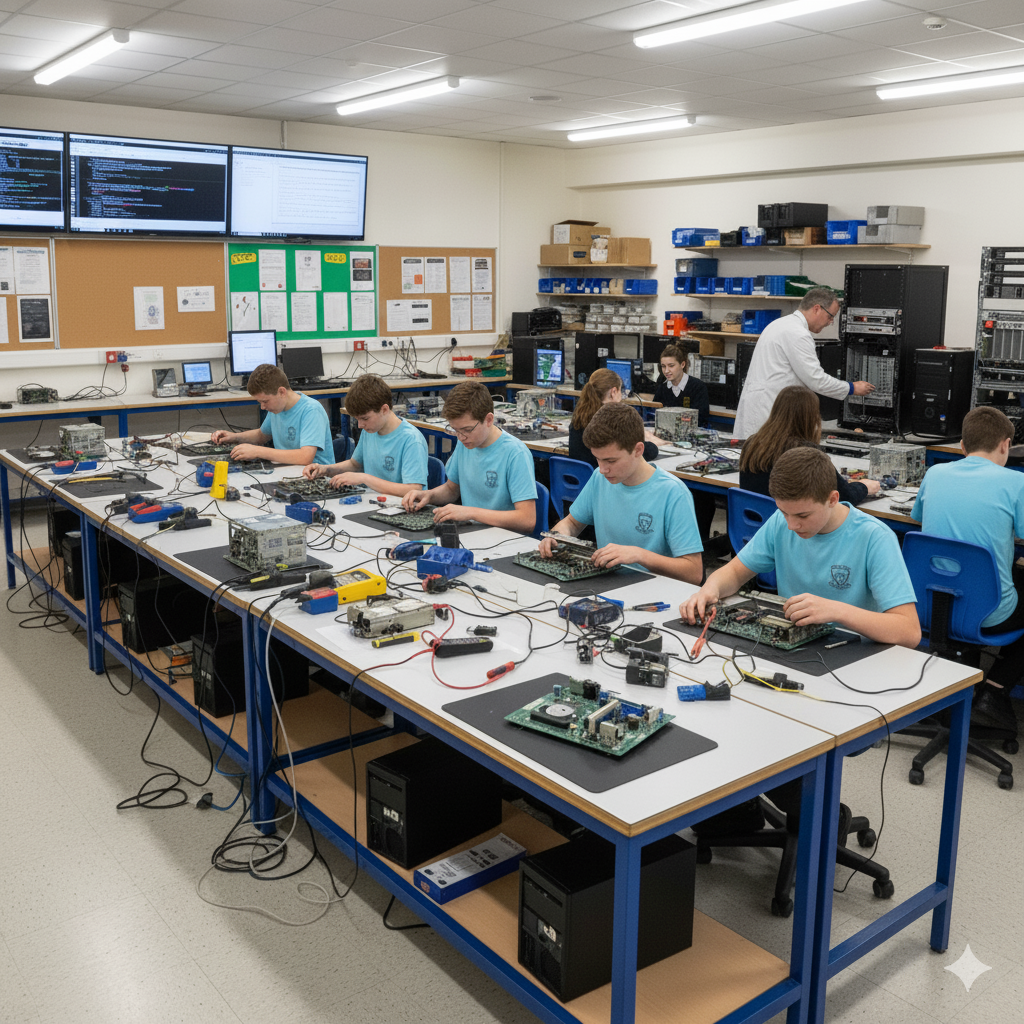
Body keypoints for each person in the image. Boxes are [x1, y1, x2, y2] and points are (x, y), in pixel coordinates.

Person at [680, 445, 920, 648]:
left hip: (855, 656)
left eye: (803, 515)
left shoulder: (874, 538)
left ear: (832, 499)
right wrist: (709, 590)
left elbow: (909, 631)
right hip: (797, 646)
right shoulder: (780, 523)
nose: (792, 525)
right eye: (784, 512)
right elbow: (734, 572)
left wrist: (837, 611)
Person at [910, 405, 1024, 733]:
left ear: (961, 446)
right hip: (987, 612)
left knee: (974, 572)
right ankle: (995, 691)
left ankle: (955, 689)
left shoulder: (935, 474)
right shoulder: (1014, 483)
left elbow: (918, 518)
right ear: (1006, 445)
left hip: (930, 605)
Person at [540, 403, 703, 583]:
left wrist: (639, 555)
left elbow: (694, 572)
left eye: (611, 461)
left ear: (638, 450)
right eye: (598, 459)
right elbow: (572, 523)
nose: (603, 469)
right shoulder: (599, 478)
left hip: (655, 592)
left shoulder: (673, 493)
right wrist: (556, 537)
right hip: (608, 583)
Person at [733, 287, 875, 439]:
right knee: (772, 459)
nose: (830, 322)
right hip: (770, 410)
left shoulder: (780, 324)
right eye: (830, 316)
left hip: (764, 407)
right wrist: (852, 387)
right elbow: (816, 380)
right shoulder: (797, 333)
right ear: (816, 309)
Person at [402, 381, 537, 533]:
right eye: (455, 430)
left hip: (503, 538)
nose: (460, 437)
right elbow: (452, 490)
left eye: (466, 429)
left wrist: (471, 513)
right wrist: (428, 495)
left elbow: (527, 520)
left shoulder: (515, 453)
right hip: (472, 532)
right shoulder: (467, 443)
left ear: (489, 420)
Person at [739, 385, 882, 506]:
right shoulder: (807, 453)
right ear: (811, 417)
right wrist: (863, 486)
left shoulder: (753, 443)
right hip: (793, 531)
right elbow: (844, 497)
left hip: (755, 529)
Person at [302, 374, 427, 498]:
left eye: (365, 418)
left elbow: (414, 489)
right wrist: (326, 469)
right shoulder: (371, 430)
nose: (360, 425)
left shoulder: (411, 440)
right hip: (374, 502)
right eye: (357, 419)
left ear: (384, 409)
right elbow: (355, 464)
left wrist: (365, 479)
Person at [210, 363, 333, 465]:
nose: (263, 407)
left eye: (265, 401)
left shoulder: (311, 410)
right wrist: (234, 437)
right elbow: (261, 435)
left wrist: (258, 451)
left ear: (281, 392)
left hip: (315, 478)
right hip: (287, 471)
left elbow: (305, 457)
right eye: (260, 402)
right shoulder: (277, 408)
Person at [568, 367, 661, 468]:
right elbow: (638, 452)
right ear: (613, 392)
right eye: (621, 391)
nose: (621, 396)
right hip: (605, 479)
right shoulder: (612, 420)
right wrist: (651, 443)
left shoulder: (579, 416)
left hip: (583, 479)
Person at [650, 344, 710, 426]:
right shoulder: (662, 388)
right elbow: (654, 414)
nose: (666, 371)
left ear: (682, 364)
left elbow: (701, 418)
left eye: (671, 366)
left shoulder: (698, 387)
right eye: (663, 366)